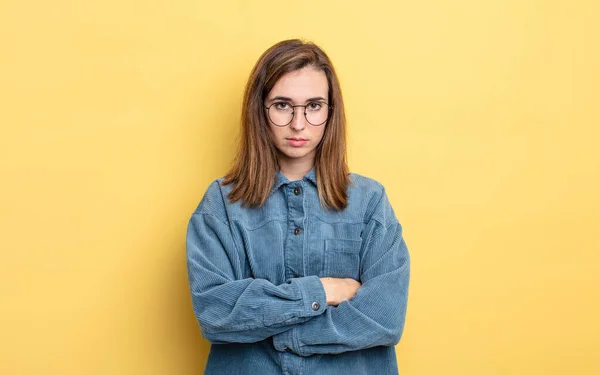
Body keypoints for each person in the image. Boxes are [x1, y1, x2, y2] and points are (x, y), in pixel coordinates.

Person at [186, 39, 410, 375]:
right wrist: (325, 290)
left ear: (331, 112)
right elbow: (216, 314)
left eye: (314, 106)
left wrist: (271, 329)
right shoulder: (221, 203)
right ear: (259, 110)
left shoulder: (369, 202)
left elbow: (384, 317)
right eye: (282, 105)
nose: (298, 123)